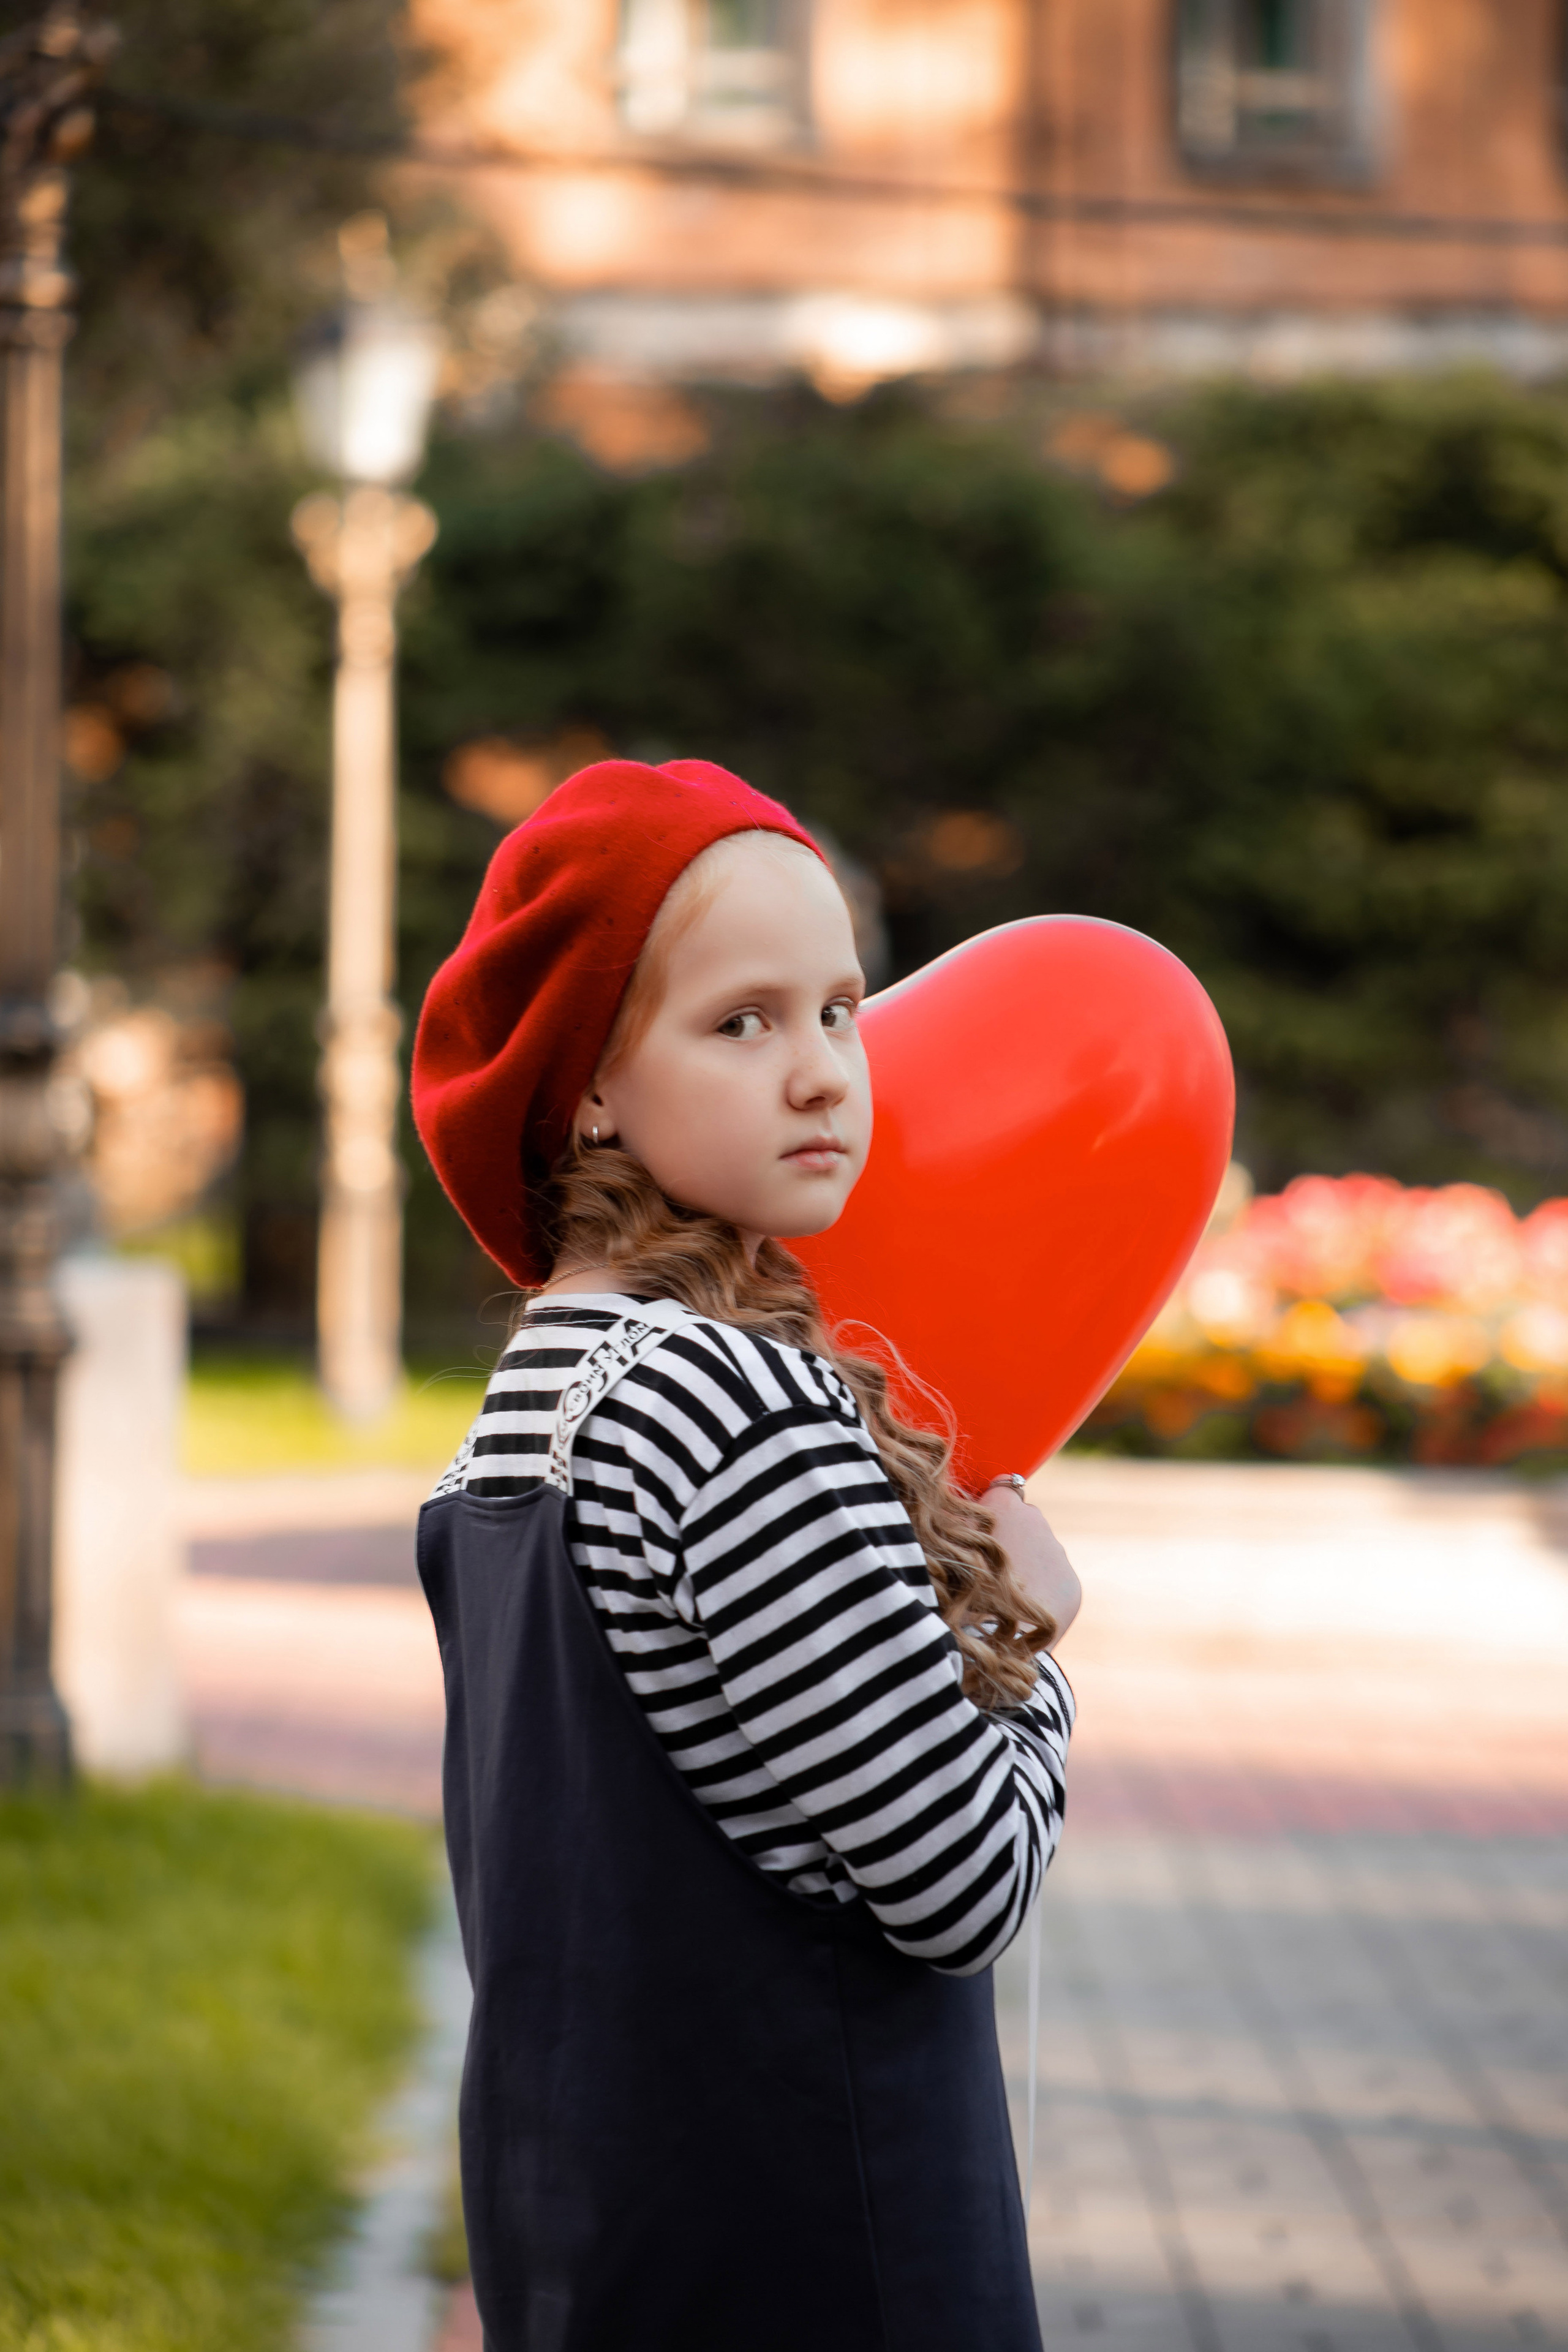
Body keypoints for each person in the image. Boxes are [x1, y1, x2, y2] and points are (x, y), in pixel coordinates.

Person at [412, 756, 1082, 2352]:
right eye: (742, 1022)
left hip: (591, 2244)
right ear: (585, 1079)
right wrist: (1040, 1651)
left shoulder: (518, 1413)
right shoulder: (745, 1407)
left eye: (841, 1009)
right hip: (820, 2259)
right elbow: (963, 1883)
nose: (823, 1074)